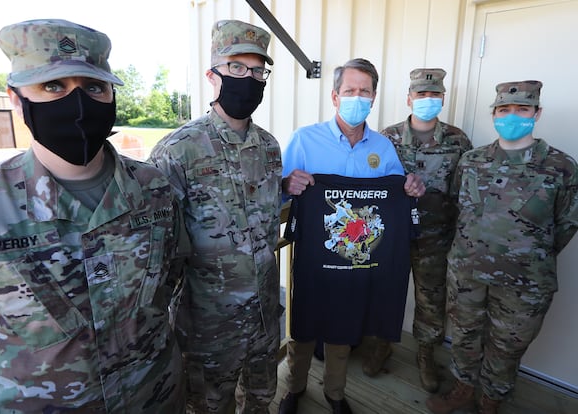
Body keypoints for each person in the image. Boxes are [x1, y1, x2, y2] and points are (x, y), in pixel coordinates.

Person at [0, 19, 188, 412]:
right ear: (15, 98)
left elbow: (170, 281)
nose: (78, 104)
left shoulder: (154, 189)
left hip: (153, 397)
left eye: (93, 87)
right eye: (53, 86)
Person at [148, 20, 283, 414]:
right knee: (209, 406)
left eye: (258, 71)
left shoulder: (269, 147)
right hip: (209, 326)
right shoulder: (178, 150)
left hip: (264, 314)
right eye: (237, 68)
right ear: (213, 75)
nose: (249, 78)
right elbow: (162, 249)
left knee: (260, 400)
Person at [278, 58, 425, 414]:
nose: (356, 97)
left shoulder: (383, 149)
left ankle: (335, 393)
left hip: (358, 259)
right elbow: (278, 194)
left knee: (343, 328)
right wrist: (286, 184)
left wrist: (411, 187)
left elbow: (397, 193)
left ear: (373, 98)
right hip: (315, 256)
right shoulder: (305, 139)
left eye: (364, 91)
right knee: (303, 326)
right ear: (334, 96)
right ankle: (293, 389)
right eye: (349, 91)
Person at [426, 80, 578, 414]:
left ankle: (491, 399)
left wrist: (527, 251)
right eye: (504, 110)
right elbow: (455, 207)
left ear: (537, 113)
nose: (512, 116)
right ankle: (464, 388)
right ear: (494, 114)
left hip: (526, 282)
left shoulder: (561, 167)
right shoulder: (471, 160)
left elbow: (566, 224)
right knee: (464, 335)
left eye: (522, 109)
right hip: (467, 272)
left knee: (508, 345)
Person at [372, 68, 472, 392]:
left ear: (442, 99)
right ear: (409, 98)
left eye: (434, 95)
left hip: (437, 238)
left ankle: (426, 355)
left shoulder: (457, 140)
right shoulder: (387, 137)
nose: (427, 100)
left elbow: (463, 191)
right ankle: (383, 344)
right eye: (421, 94)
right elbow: (376, 184)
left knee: (431, 299)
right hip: (394, 236)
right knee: (386, 293)